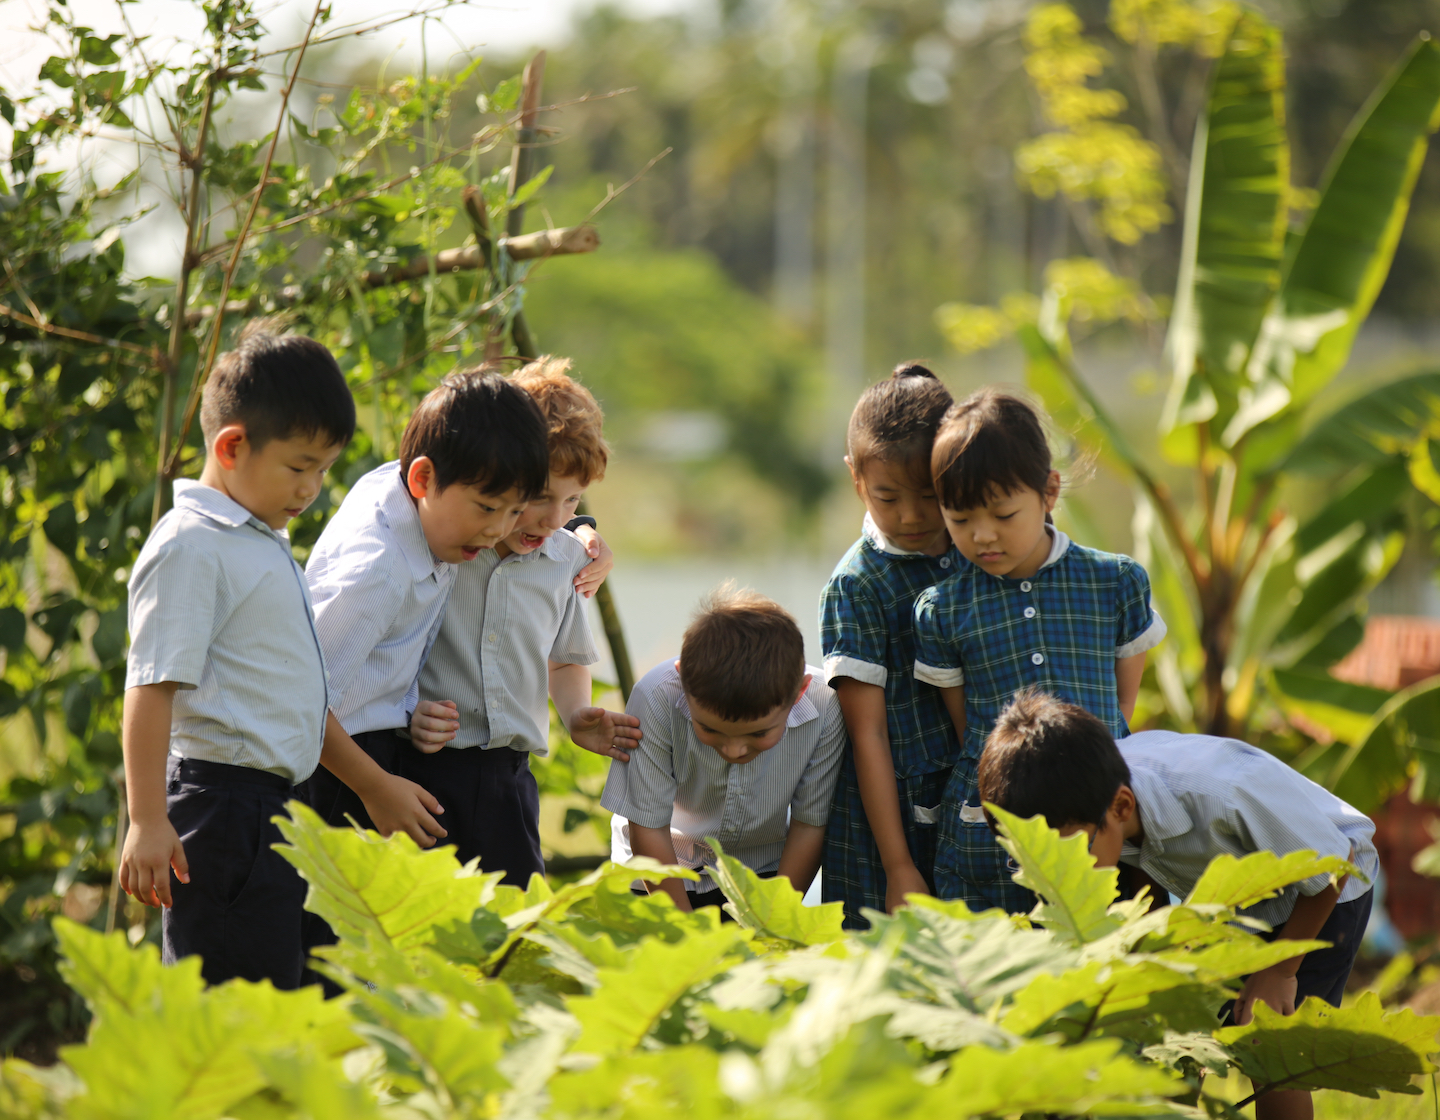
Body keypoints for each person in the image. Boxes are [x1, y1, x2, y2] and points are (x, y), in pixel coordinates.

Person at [121, 327, 443, 988]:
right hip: (219, 809)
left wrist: (371, 784)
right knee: (232, 1005)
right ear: (233, 446)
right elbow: (150, 688)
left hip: (273, 806)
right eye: (300, 467)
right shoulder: (192, 546)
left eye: (324, 470)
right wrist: (148, 820)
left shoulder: (261, 539)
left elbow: (297, 700)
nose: (313, 488)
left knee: (280, 990)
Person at [977, 689, 1377, 1120]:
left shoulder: (1219, 794)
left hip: (1323, 894)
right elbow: (1144, 859)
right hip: (1231, 903)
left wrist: (1279, 970)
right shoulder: (1097, 800)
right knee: (1176, 1035)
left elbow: (1336, 863)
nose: (1059, 874)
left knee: (1272, 1047)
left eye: (1069, 853)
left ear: (1122, 806)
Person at [913, 389, 1166, 912]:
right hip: (995, 836)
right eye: (960, 520)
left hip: (1099, 822)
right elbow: (971, 733)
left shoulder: (1114, 583)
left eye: (1004, 514)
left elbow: (1119, 710)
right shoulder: (943, 610)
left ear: (1049, 491)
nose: (983, 536)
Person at [406, 356, 640, 885]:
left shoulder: (564, 562)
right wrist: (408, 711)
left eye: (573, 500)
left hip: (507, 782)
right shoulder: (451, 546)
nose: (555, 519)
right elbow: (392, 651)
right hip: (423, 770)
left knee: (510, 935)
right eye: (538, 498)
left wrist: (578, 712)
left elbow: (563, 658)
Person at [298, 366, 550, 838]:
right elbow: (302, 703)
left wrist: (584, 535)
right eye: (488, 508)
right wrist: (374, 787)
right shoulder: (378, 571)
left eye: (516, 511)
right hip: (335, 767)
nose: (500, 530)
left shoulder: (410, 493)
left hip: (368, 750)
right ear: (423, 479)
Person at [819, 363, 960, 927]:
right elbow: (868, 733)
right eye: (888, 497)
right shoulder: (858, 585)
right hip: (891, 815)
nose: (912, 516)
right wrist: (899, 864)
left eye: (930, 495)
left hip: (973, 793)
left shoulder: (977, 545)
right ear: (856, 479)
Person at [602, 587, 846, 913]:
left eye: (759, 732)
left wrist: (773, 921)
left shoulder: (827, 706)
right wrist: (684, 930)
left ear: (799, 692)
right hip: (658, 873)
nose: (733, 749)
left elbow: (809, 825)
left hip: (764, 875)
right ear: (683, 679)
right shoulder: (656, 696)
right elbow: (648, 826)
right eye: (711, 729)